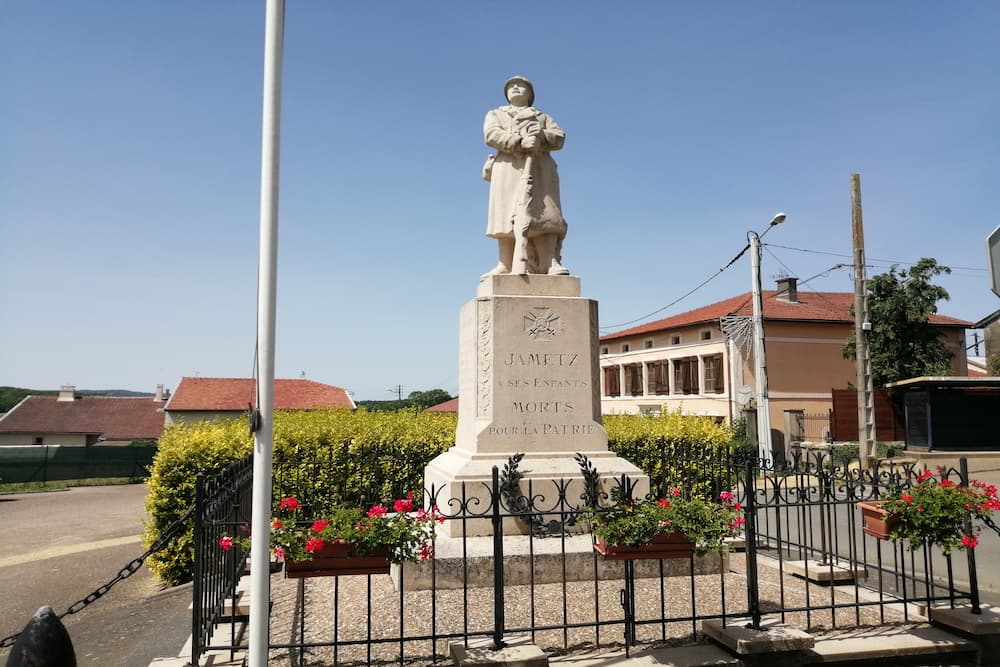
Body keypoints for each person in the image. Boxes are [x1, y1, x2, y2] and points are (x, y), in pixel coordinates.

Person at [482, 75, 570, 277]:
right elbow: (491, 134)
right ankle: (505, 263)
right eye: (511, 86)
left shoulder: (542, 117)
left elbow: (559, 137)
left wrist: (542, 136)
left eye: (521, 85)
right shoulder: (495, 114)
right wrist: (518, 142)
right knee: (504, 217)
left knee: (545, 214)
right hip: (508, 167)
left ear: (530, 94)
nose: (515, 87)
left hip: (539, 168)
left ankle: (549, 262)